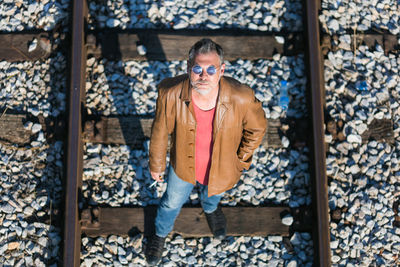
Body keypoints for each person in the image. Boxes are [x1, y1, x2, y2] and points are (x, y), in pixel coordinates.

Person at [145, 38, 267, 265]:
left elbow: (257, 128)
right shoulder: (170, 93)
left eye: (211, 69)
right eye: (198, 69)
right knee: (171, 202)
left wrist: (241, 158)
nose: (204, 76)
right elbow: (160, 131)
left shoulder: (241, 96)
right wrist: (157, 165)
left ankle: (210, 209)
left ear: (222, 70)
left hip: (220, 167)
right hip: (182, 166)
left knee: (214, 193)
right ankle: (160, 234)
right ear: (188, 68)